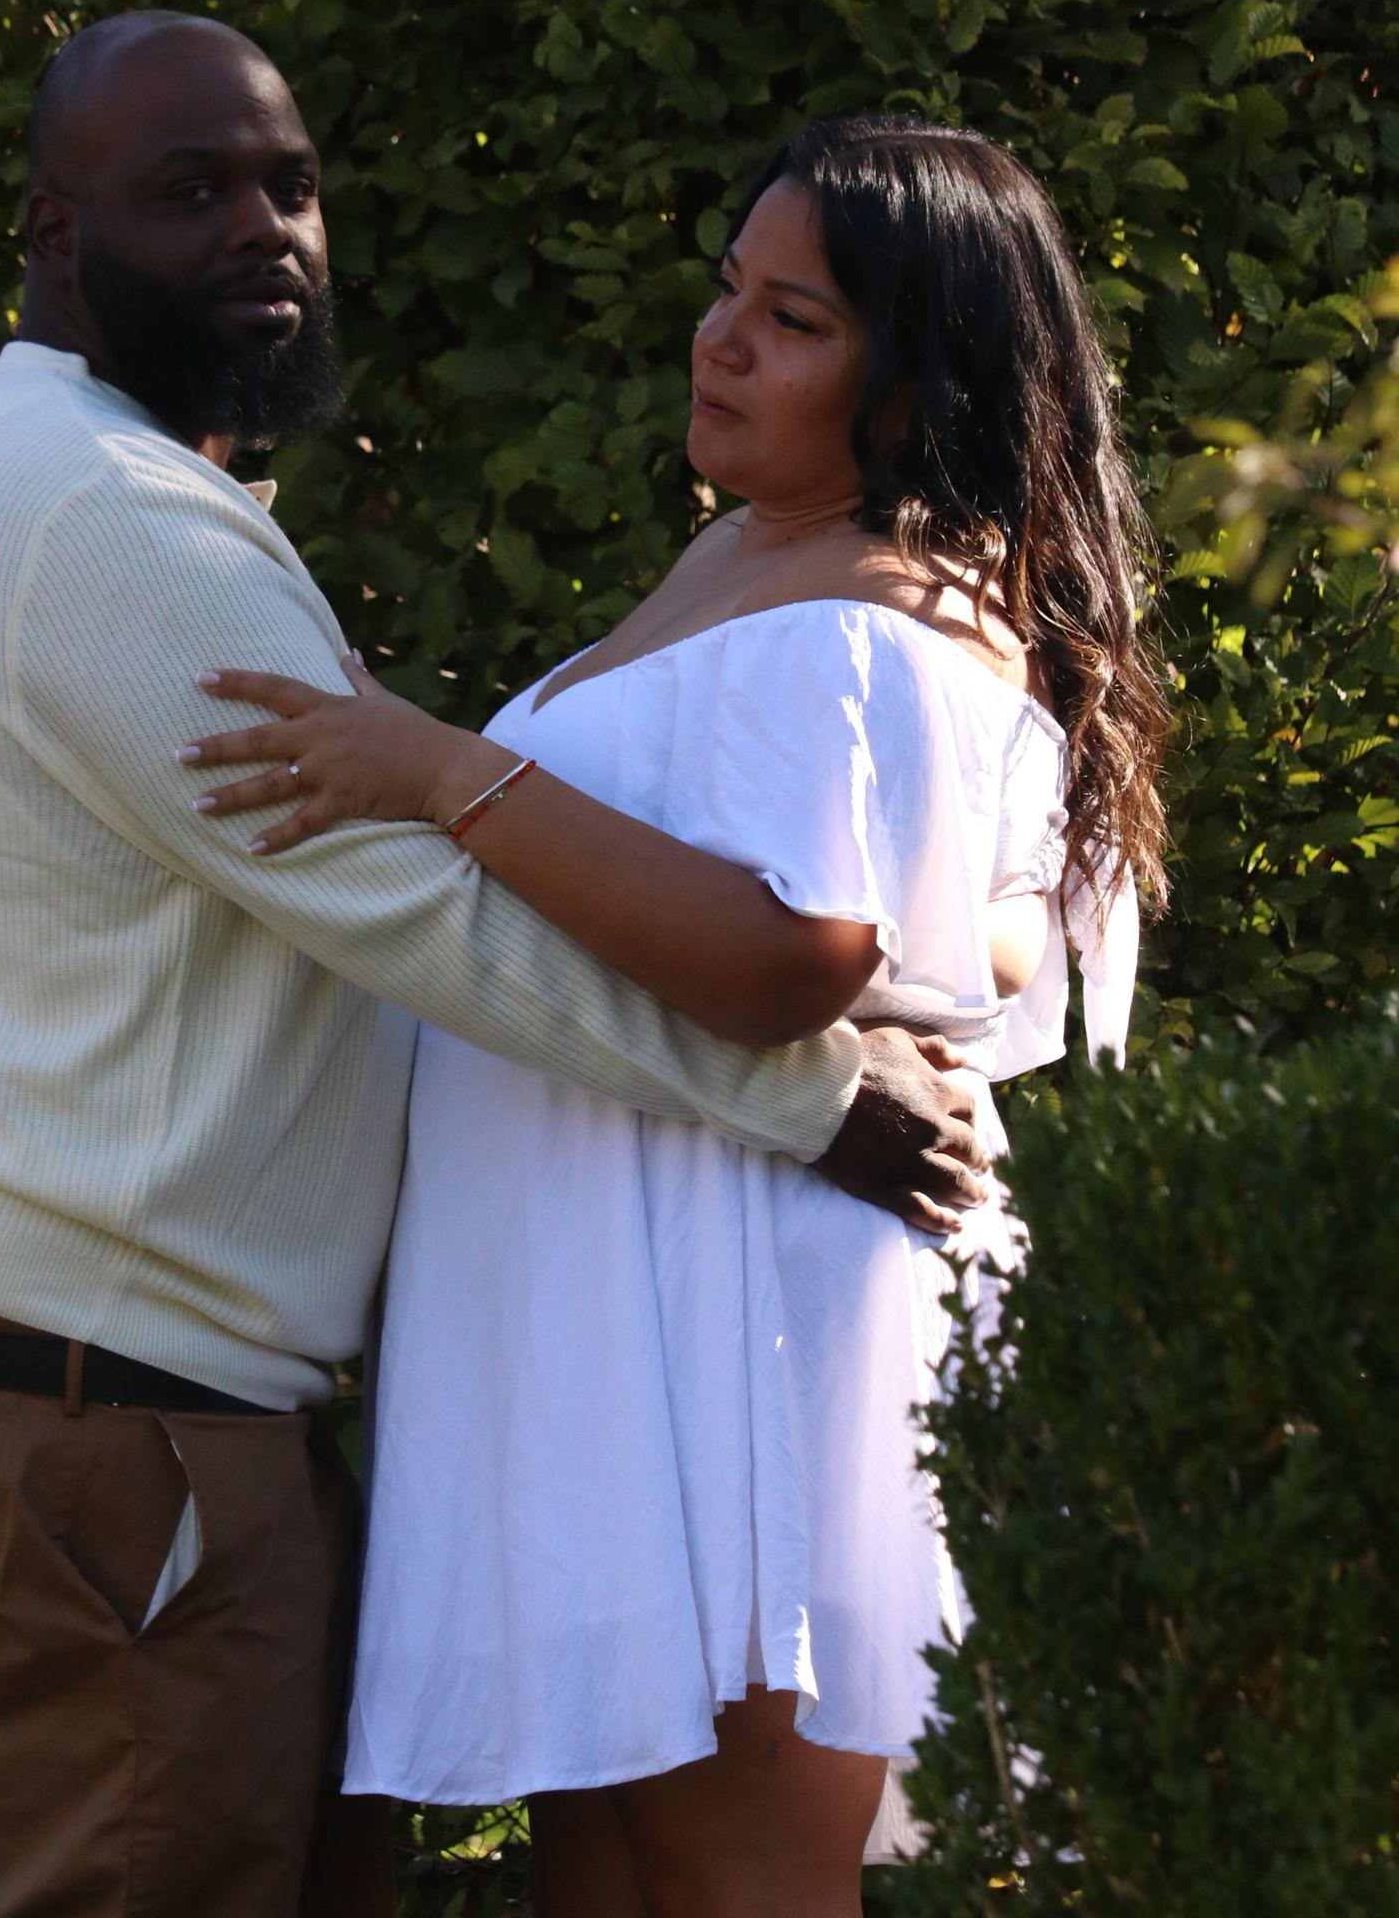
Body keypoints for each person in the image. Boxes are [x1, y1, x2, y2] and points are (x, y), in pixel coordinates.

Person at [0, 21, 989, 1918]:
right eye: (189, 192)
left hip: (134, 1390)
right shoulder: (107, 520)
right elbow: (423, 914)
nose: (262, 231)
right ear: (55, 234)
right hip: (93, 1401)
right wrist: (819, 1098)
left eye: (288, 185)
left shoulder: (121, 483)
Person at [182, 113, 1169, 1916]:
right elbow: (980, 930)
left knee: (732, 1879)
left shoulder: (877, 610)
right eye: (730, 290)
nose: (722, 340)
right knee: (614, 1879)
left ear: (916, 382)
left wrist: (440, 772)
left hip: (736, 1316)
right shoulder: (752, 563)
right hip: (616, 1300)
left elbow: (801, 951)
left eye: (795, 322)